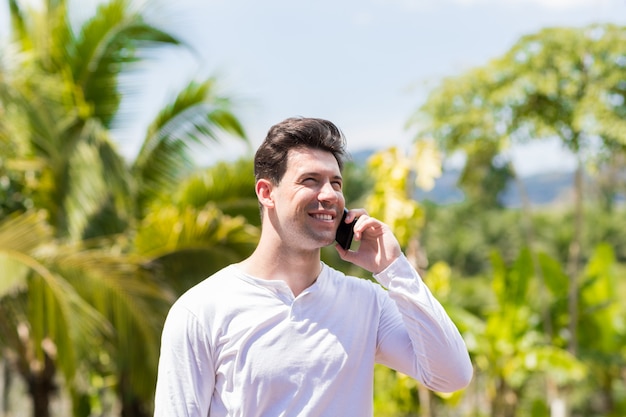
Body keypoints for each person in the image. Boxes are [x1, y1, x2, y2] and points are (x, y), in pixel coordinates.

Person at [153, 117, 473, 417]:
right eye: (311, 180)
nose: (329, 195)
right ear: (266, 192)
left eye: (336, 183)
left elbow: (452, 376)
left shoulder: (366, 302)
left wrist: (393, 267)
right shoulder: (201, 310)